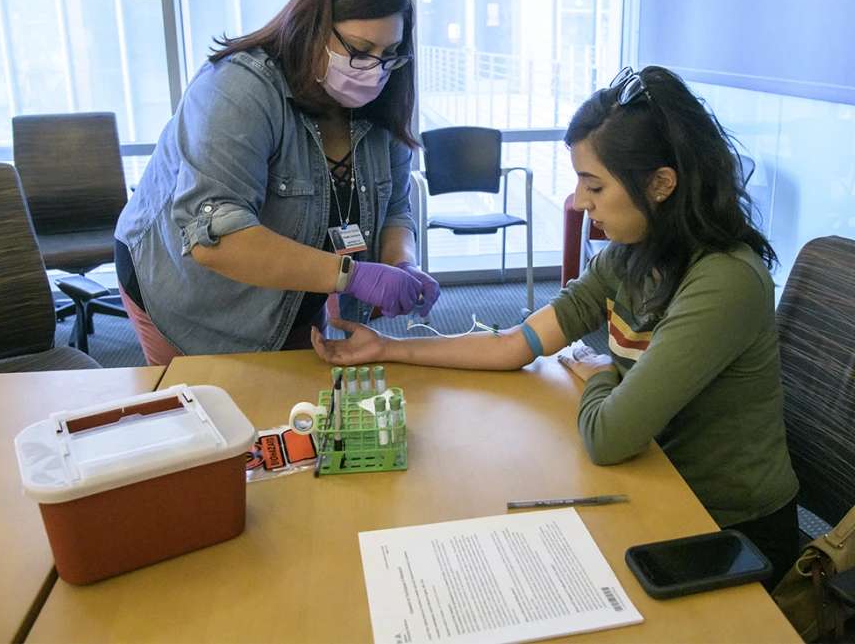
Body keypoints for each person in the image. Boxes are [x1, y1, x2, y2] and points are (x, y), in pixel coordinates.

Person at [312, 65, 800, 590]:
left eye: (594, 184)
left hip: (727, 533)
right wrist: (390, 346)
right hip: (655, 482)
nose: (580, 201)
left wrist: (606, 373)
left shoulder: (725, 281)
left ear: (661, 184)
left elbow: (610, 435)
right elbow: (514, 344)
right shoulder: (629, 258)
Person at [115, 0, 439, 365]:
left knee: (299, 408)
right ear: (314, 27)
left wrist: (401, 264)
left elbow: (396, 209)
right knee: (212, 409)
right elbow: (216, 238)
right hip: (188, 293)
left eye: (390, 53)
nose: (375, 70)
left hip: (296, 289)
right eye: (359, 50)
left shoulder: (382, 100)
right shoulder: (238, 88)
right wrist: (352, 276)